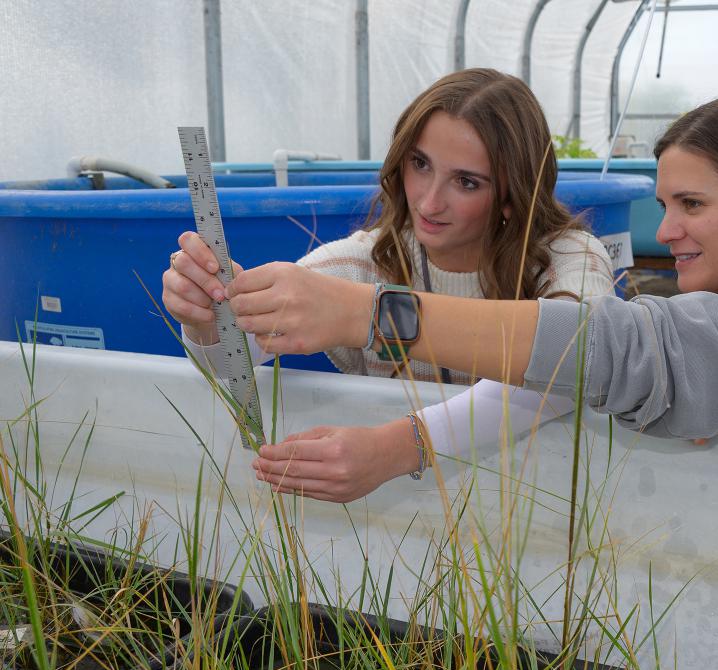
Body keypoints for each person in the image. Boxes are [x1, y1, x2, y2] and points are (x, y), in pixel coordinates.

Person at [216, 89, 718, 504]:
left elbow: (618, 347)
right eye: (664, 205)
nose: (668, 232)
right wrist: (206, 314)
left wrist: (373, 318)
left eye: (693, 206)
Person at [163, 68, 614, 500]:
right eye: (420, 164)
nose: (429, 200)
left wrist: (398, 448)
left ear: (515, 196)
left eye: (466, 182)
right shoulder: (358, 263)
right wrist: (207, 316)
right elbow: (234, 361)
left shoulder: (570, 260)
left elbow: (581, 359)